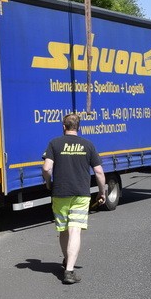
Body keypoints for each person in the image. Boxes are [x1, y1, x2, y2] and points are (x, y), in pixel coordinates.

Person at [42, 113, 107, 285]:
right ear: (79, 127)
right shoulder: (88, 145)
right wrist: (102, 192)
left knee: (63, 230)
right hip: (81, 193)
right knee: (75, 230)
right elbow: (99, 172)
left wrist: (48, 183)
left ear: (64, 126)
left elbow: (47, 168)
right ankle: (69, 271)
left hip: (60, 193)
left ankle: (67, 261)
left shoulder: (54, 143)